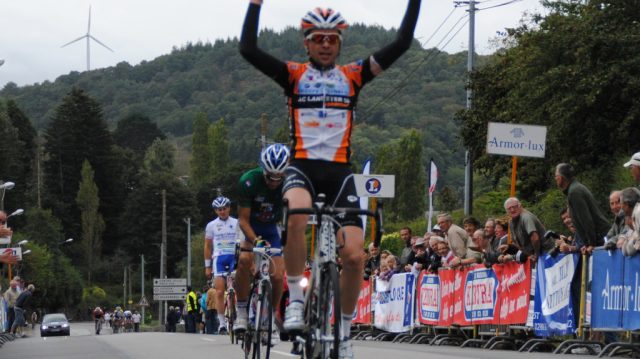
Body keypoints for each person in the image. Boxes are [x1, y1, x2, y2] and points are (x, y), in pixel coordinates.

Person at [240, 0, 421, 355]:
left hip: (340, 174)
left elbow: (401, 43)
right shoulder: (292, 74)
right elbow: (248, 48)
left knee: (354, 256)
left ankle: (345, 333)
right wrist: (255, 4)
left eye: (332, 39)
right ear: (306, 43)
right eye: (318, 38)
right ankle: (294, 299)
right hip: (302, 168)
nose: (325, 44)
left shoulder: (353, 75)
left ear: (340, 43)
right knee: (296, 214)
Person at [234, 144, 289, 345]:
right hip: (250, 227)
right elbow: (242, 220)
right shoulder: (248, 181)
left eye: (278, 177)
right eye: (270, 177)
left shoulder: (290, 183)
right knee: (244, 260)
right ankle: (241, 311)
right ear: (262, 170)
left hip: (272, 229)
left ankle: (271, 317)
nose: (274, 182)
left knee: (276, 275)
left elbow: (291, 218)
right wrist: (255, 240)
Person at [555, 163, 610, 253]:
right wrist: (586, 244)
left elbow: (586, 220)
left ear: (561, 177)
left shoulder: (574, 192)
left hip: (600, 239)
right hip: (599, 238)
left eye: (556, 176)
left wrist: (592, 243)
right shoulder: (574, 189)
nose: (555, 179)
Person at [203, 196, 238, 334]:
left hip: (234, 257)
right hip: (219, 258)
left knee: (239, 289)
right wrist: (207, 266)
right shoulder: (211, 225)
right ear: (216, 211)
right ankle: (222, 323)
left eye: (224, 209)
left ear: (229, 208)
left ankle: (239, 317)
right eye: (219, 210)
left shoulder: (237, 222)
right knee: (219, 291)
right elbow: (207, 246)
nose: (222, 212)